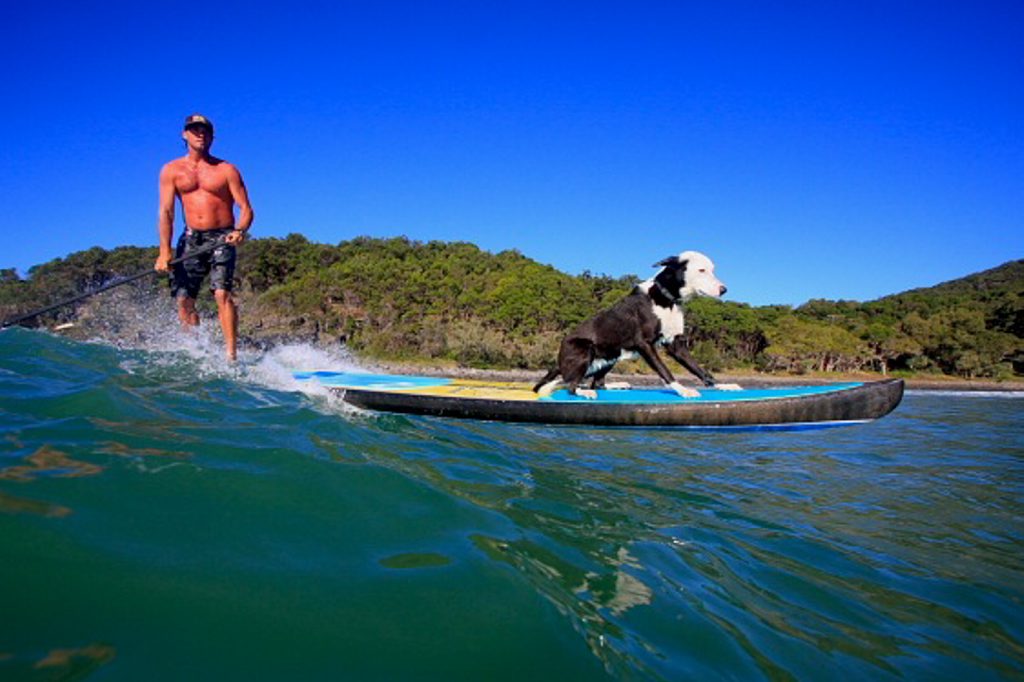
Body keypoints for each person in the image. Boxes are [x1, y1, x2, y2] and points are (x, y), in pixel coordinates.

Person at [155, 114, 254, 360]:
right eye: (194, 129)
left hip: (223, 237)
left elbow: (246, 209)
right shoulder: (171, 170)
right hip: (190, 239)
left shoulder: (226, 170)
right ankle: (195, 352)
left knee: (222, 293)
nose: (200, 134)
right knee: (183, 298)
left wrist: (239, 231)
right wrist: (164, 251)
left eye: (205, 130)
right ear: (184, 134)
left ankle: (231, 357)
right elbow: (166, 212)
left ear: (212, 136)